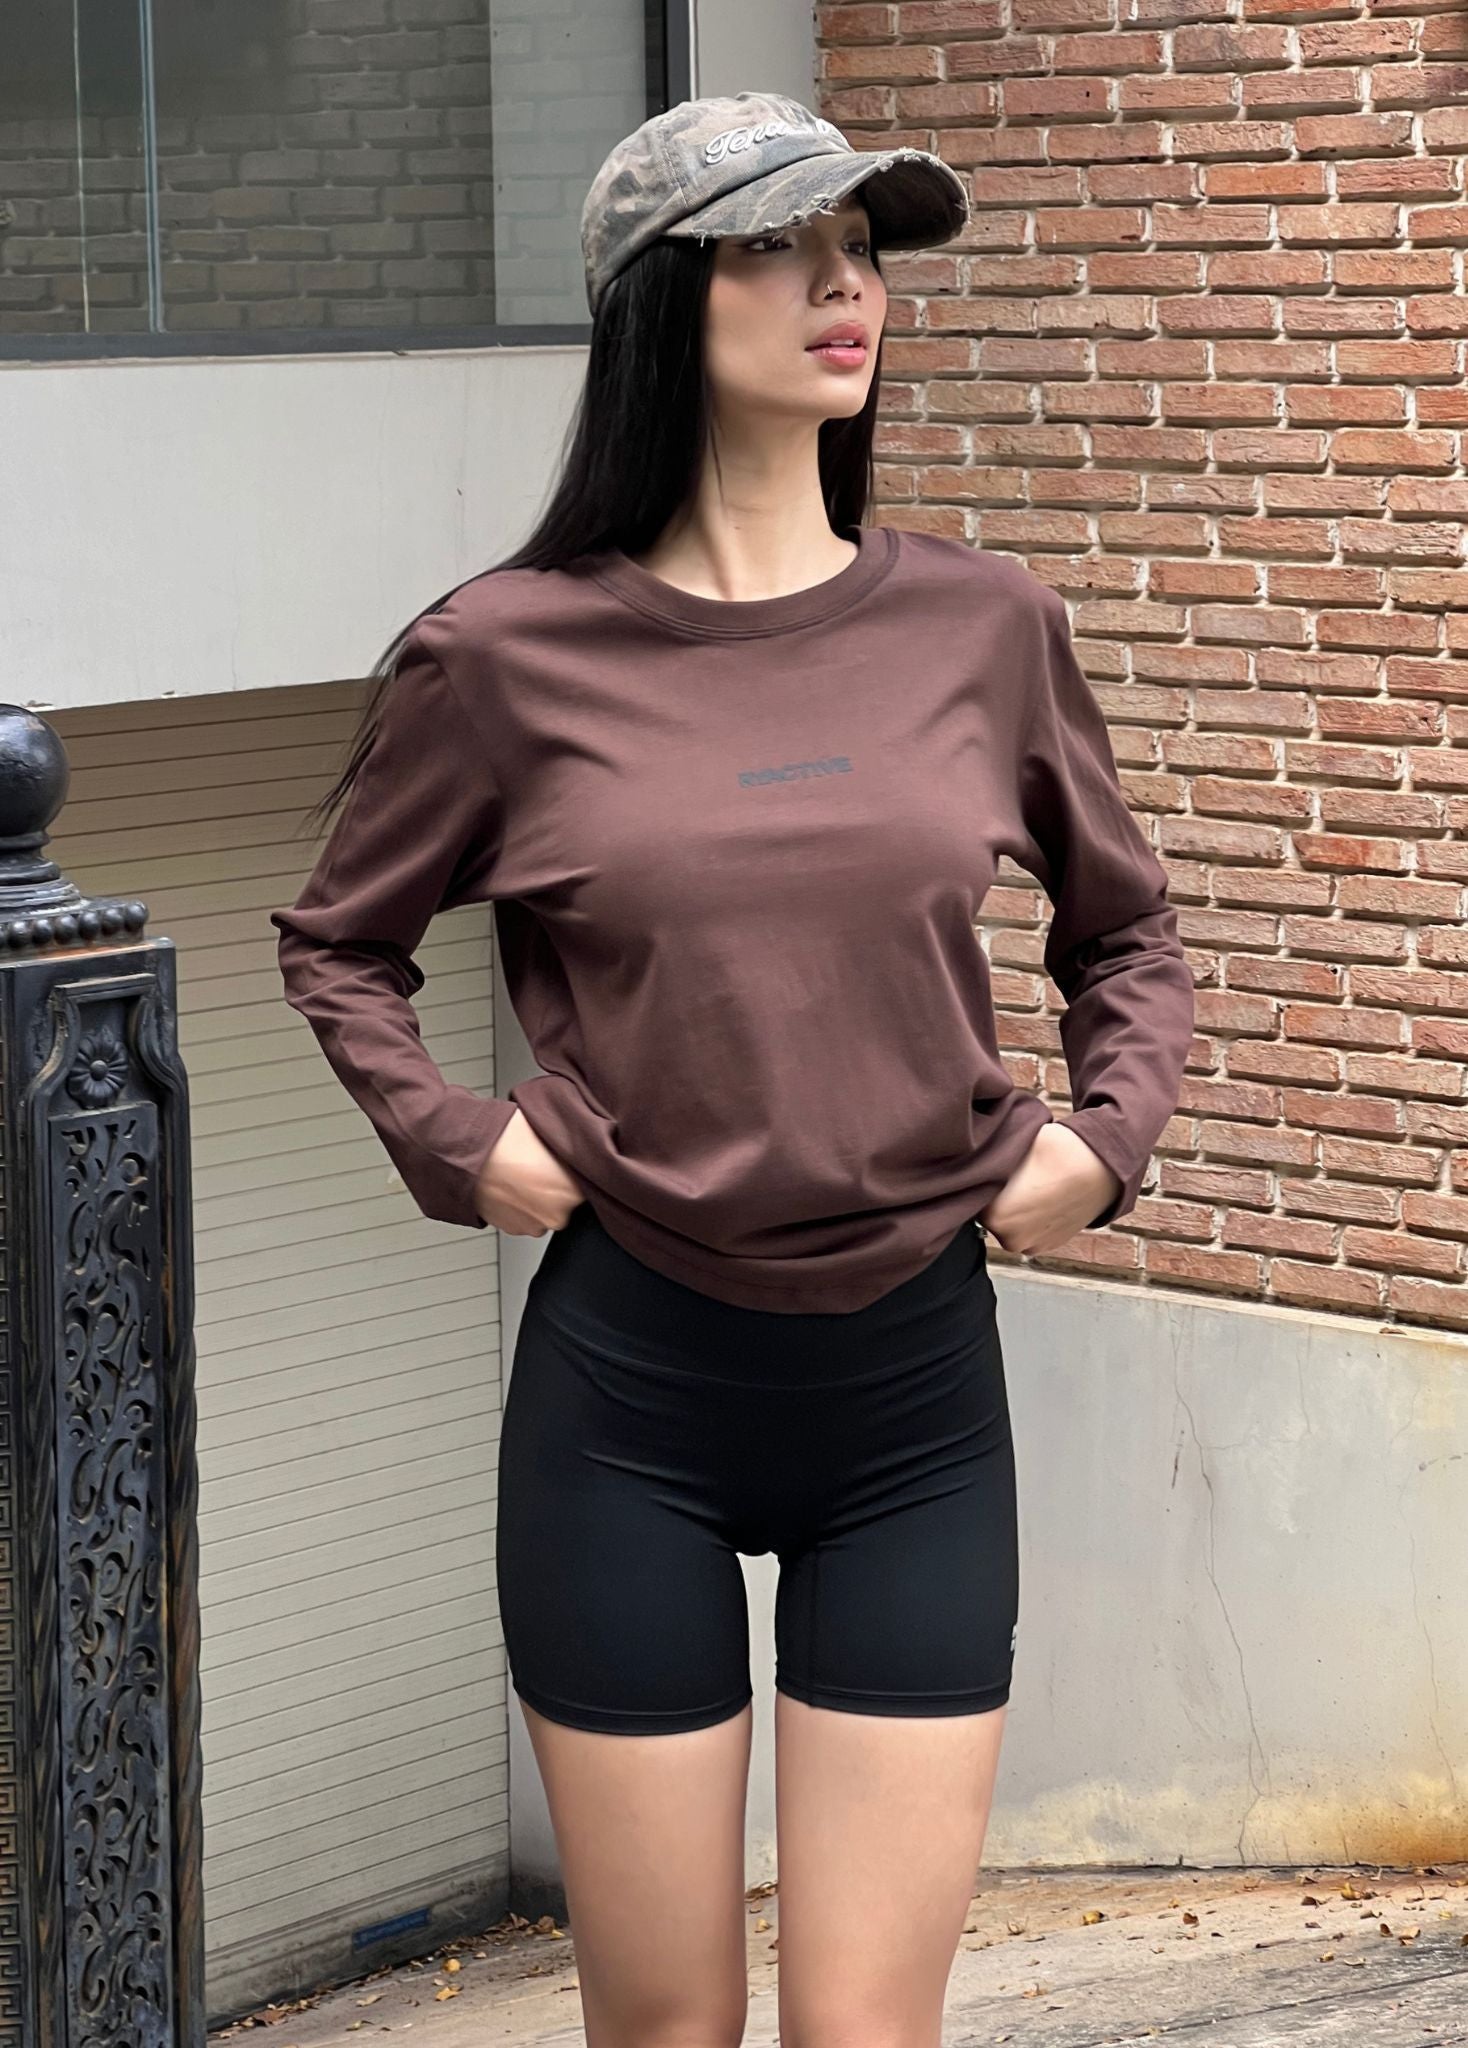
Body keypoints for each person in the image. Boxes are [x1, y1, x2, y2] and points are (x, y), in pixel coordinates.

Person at [271, 88, 1195, 2048]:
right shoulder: (503, 657)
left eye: (858, 247)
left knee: (865, 2033)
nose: (841, 286)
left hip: (914, 1405)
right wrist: (457, 1138)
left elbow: (1125, 931)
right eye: (780, 248)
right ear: (658, 302)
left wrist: (1106, 1141)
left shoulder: (983, 625)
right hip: (628, 1402)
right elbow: (338, 941)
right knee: (667, 2031)